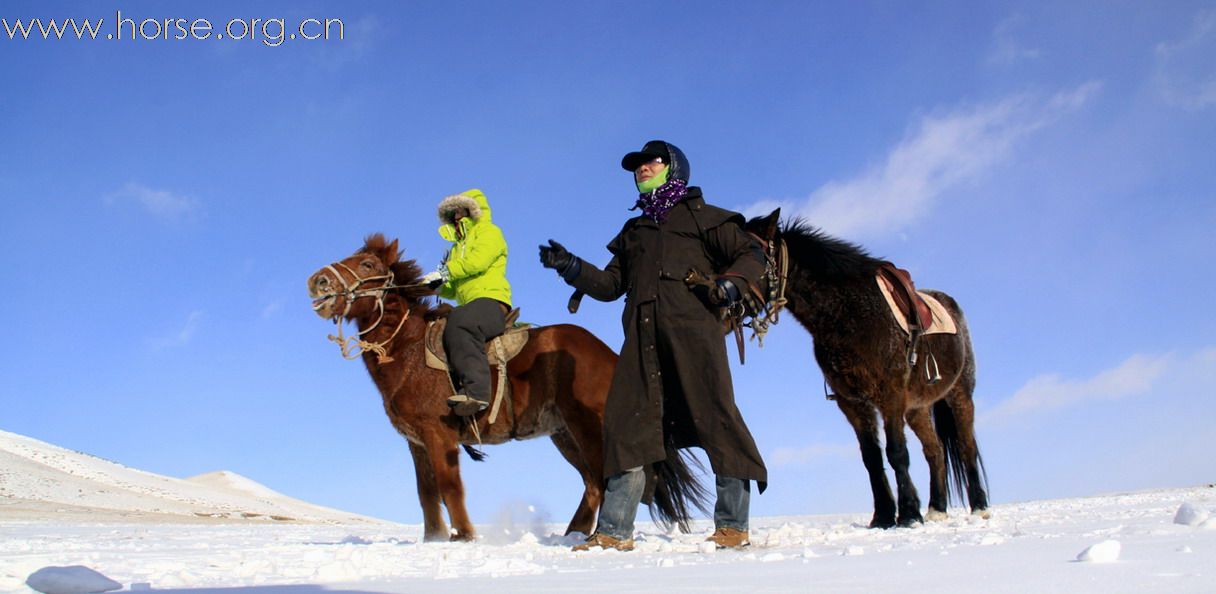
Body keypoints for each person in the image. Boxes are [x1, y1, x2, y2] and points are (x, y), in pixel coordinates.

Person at [539, 140, 767, 551]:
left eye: (652, 162)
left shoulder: (704, 218)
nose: (643, 169)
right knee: (627, 427)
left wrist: (732, 284)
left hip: (694, 335)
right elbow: (611, 286)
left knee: (717, 419)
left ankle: (733, 525)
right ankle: (613, 531)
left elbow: (751, 252)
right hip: (642, 343)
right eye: (638, 166)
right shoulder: (634, 232)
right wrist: (571, 267)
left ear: (674, 167)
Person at [421, 189, 512, 417]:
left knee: (460, 323)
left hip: (491, 301)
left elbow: (477, 262)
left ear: (473, 211)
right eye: (452, 213)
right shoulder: (455, 249)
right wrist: (437, 286)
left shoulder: (489, 232)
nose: (456, 217)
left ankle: (477, 393)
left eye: (460, 211)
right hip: (469, 304)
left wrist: (445, 272)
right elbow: (453, 289)